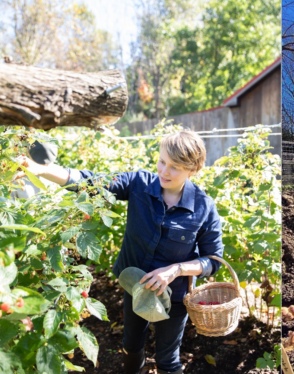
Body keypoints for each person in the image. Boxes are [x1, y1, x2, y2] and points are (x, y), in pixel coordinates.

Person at [21, 130, 223, 374]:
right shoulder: (139, 184)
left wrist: (176, 270)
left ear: (192, 170)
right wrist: (41, 170)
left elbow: (212, 260)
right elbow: (91, 181)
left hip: (175, 295)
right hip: (135, 286)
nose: (164, 171)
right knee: (131, 345)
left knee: (168, 360)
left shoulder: (204, 207)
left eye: (175, 167)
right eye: (162, 162)